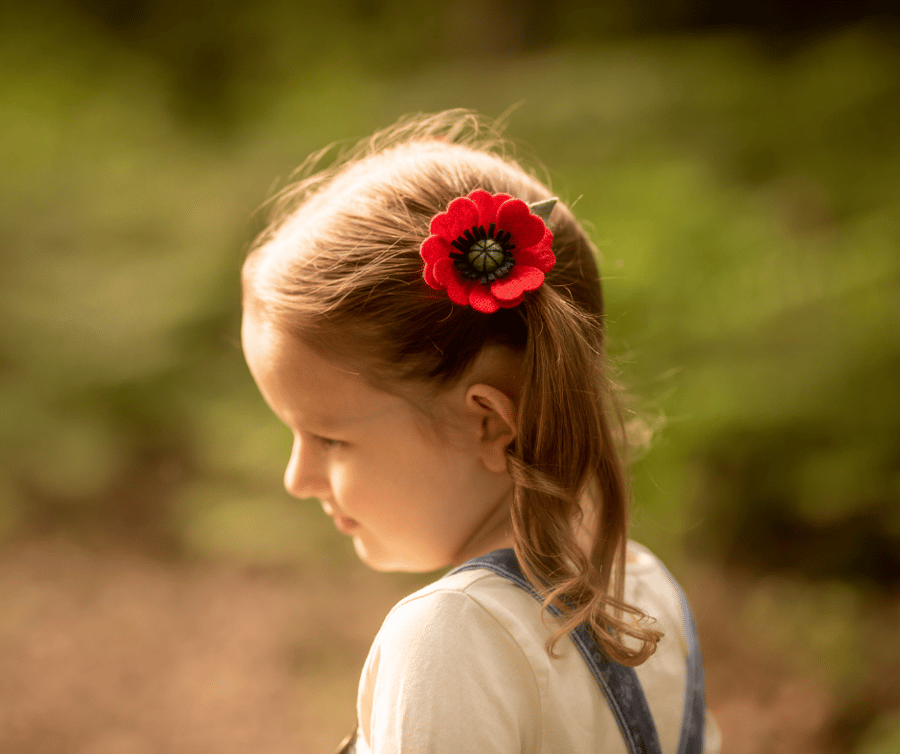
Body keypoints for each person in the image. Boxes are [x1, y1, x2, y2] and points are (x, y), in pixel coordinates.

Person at [241, 110, 720, 754]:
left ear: (489, 422)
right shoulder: (642, 588)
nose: (297, 478)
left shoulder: (452, 636)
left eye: (329, 438)